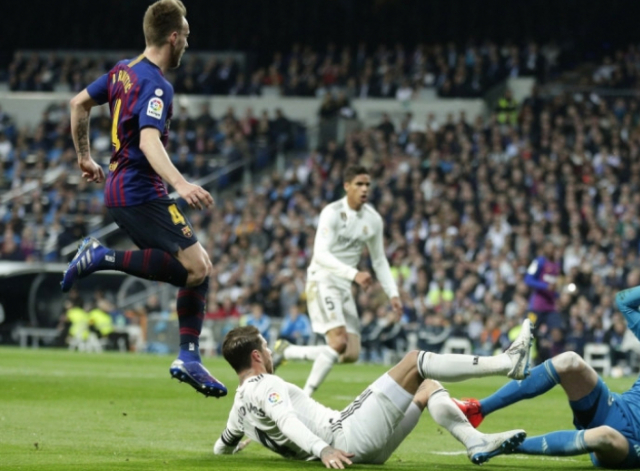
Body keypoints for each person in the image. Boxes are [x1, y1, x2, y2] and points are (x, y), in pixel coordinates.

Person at [60, 0, 224, 397]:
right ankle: (101, 257)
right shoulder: (156, 85)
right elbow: (149, 141)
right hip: (139, 189)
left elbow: (78, 103)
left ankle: (188, 356)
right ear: (173, 37)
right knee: (197, 269)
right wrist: (182, 184)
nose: (188, 42)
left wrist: (84, 157)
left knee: (198, 267)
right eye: (186, 35)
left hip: (122, 187)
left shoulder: (123, 71)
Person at [454, 264, 640, 471]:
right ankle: (479, 409)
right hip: (613, 409)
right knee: (569, 360)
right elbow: (624, 302)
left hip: (633, 448)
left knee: (603, 435)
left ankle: (499, 444)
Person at [213, 320, 534, 466]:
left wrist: (236, 447)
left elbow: (221, 447)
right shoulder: (266, 384)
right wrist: (323, 450)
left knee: (426, 388)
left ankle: (474, 441)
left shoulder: (238, 409)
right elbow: (287, 421)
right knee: (414, 362)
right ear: (256, 356)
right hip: (346, 437)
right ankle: (507, 362)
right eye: (266, 347)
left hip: (361, 452)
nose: (271, 353)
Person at [274, 165, 402, 397]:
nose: (364, 189)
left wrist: (393, 293)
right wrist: (354, 274)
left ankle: (288, 352)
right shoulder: (331, 212)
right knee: (339, 341)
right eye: (359, 184)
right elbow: (320, 254)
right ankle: (304, 398)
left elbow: (379, 259)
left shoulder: (373, 219)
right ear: (347, 186)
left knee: (350, 353)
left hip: (343, 285)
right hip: (322, 279)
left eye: (367, 184)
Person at [523, 239, 563, 362]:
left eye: (553, 248)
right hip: (537, 306)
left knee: (557, 333)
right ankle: (523, 361)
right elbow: (528, 279)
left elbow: (554, 286)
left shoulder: (557, 265)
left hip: (551, 307)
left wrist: (558, 296)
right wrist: (545, 286)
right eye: (548, 247)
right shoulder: (539, 262)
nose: (551, 250)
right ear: (544, 249)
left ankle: (556, 363)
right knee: (529, 335)